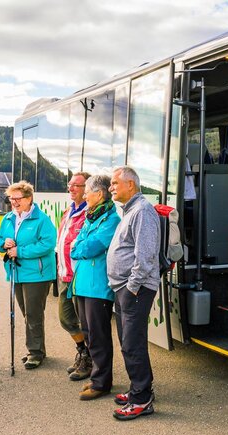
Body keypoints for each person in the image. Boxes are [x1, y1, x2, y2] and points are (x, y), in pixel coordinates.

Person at [106, 166, 160, 420]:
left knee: (132, 343)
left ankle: (141, 400)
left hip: (136, 288)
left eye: (115, 183)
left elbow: (145, 255)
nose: (111, 187)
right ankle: (138, 388)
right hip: (125, 287)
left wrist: (132, 287)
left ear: (130, 184)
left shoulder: (142, 211)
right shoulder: (130, 210)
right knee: (128, 342)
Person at [0, 180, 57, 370]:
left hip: (37, 274)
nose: (14, 202)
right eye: (11, 199)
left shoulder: (41, 220)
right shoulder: (8, 218)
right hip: (16, 272)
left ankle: (35, 352)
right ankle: (37, 349)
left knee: (33, 314)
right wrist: (3, 243)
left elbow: (48, 244)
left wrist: (19, 251)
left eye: (18, 199)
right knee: (27, 313)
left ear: (29, 199)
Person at [70, 174, 121, 400]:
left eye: (87, 192)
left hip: (98, 286)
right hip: (83, 284)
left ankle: (102, 383)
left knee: (99, 336)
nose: (84, 196)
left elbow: (89, 247)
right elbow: (76, 245)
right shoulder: (91, 217)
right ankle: (96, 377)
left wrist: (79, 246)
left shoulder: (111, 220)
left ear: (99, 194)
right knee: (89, 334)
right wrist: (79, 246)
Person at [56, 172, 91, 380]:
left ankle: (89, 359)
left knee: (86, 323)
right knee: (66, 319)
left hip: (80, 277)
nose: (71, 188)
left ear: (87, 189)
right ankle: (83, 351)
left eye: (76, 185)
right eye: (70, 184)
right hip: (64, 274)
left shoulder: (90, 212)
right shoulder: (68, 211)